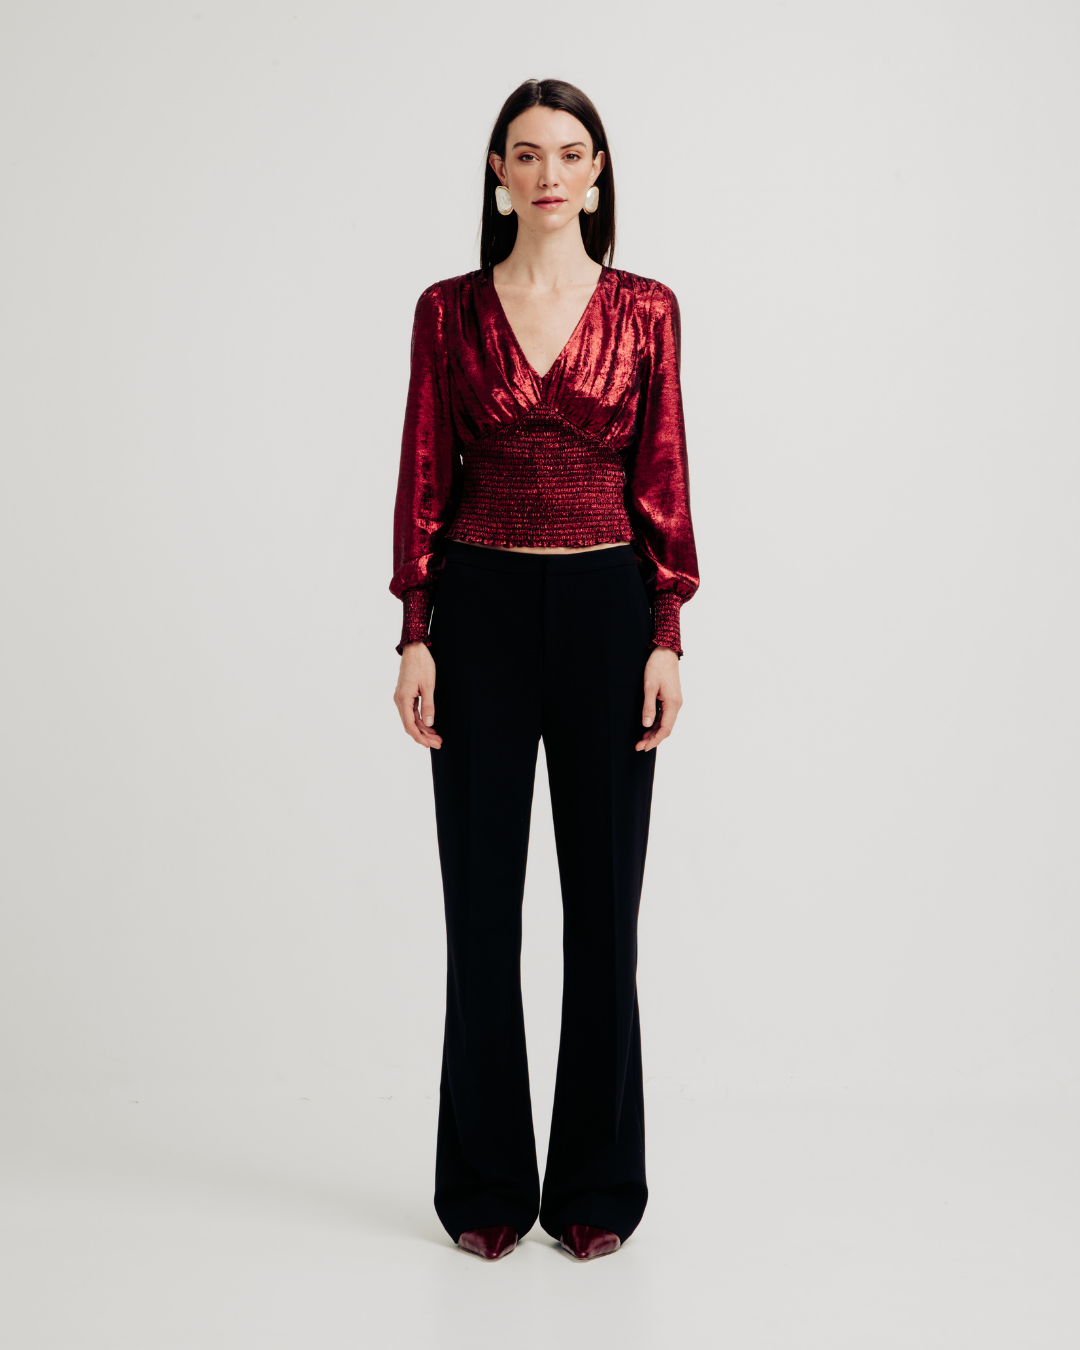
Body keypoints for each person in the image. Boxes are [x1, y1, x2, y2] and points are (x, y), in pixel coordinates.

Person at [390, 78, 699, 1262]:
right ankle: (483, 1182)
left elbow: (664, 473)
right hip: (477, 612)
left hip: (610, 610)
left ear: (599, 172)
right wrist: (416, 628)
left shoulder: (647, 310)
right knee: (481, 909)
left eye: (570, 153)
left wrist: (665, 632)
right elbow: (424, 470)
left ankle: (597, 1186)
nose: (550, 173)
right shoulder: (447, 312)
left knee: (603, 914)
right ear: (497, 173)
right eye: (527, 154)